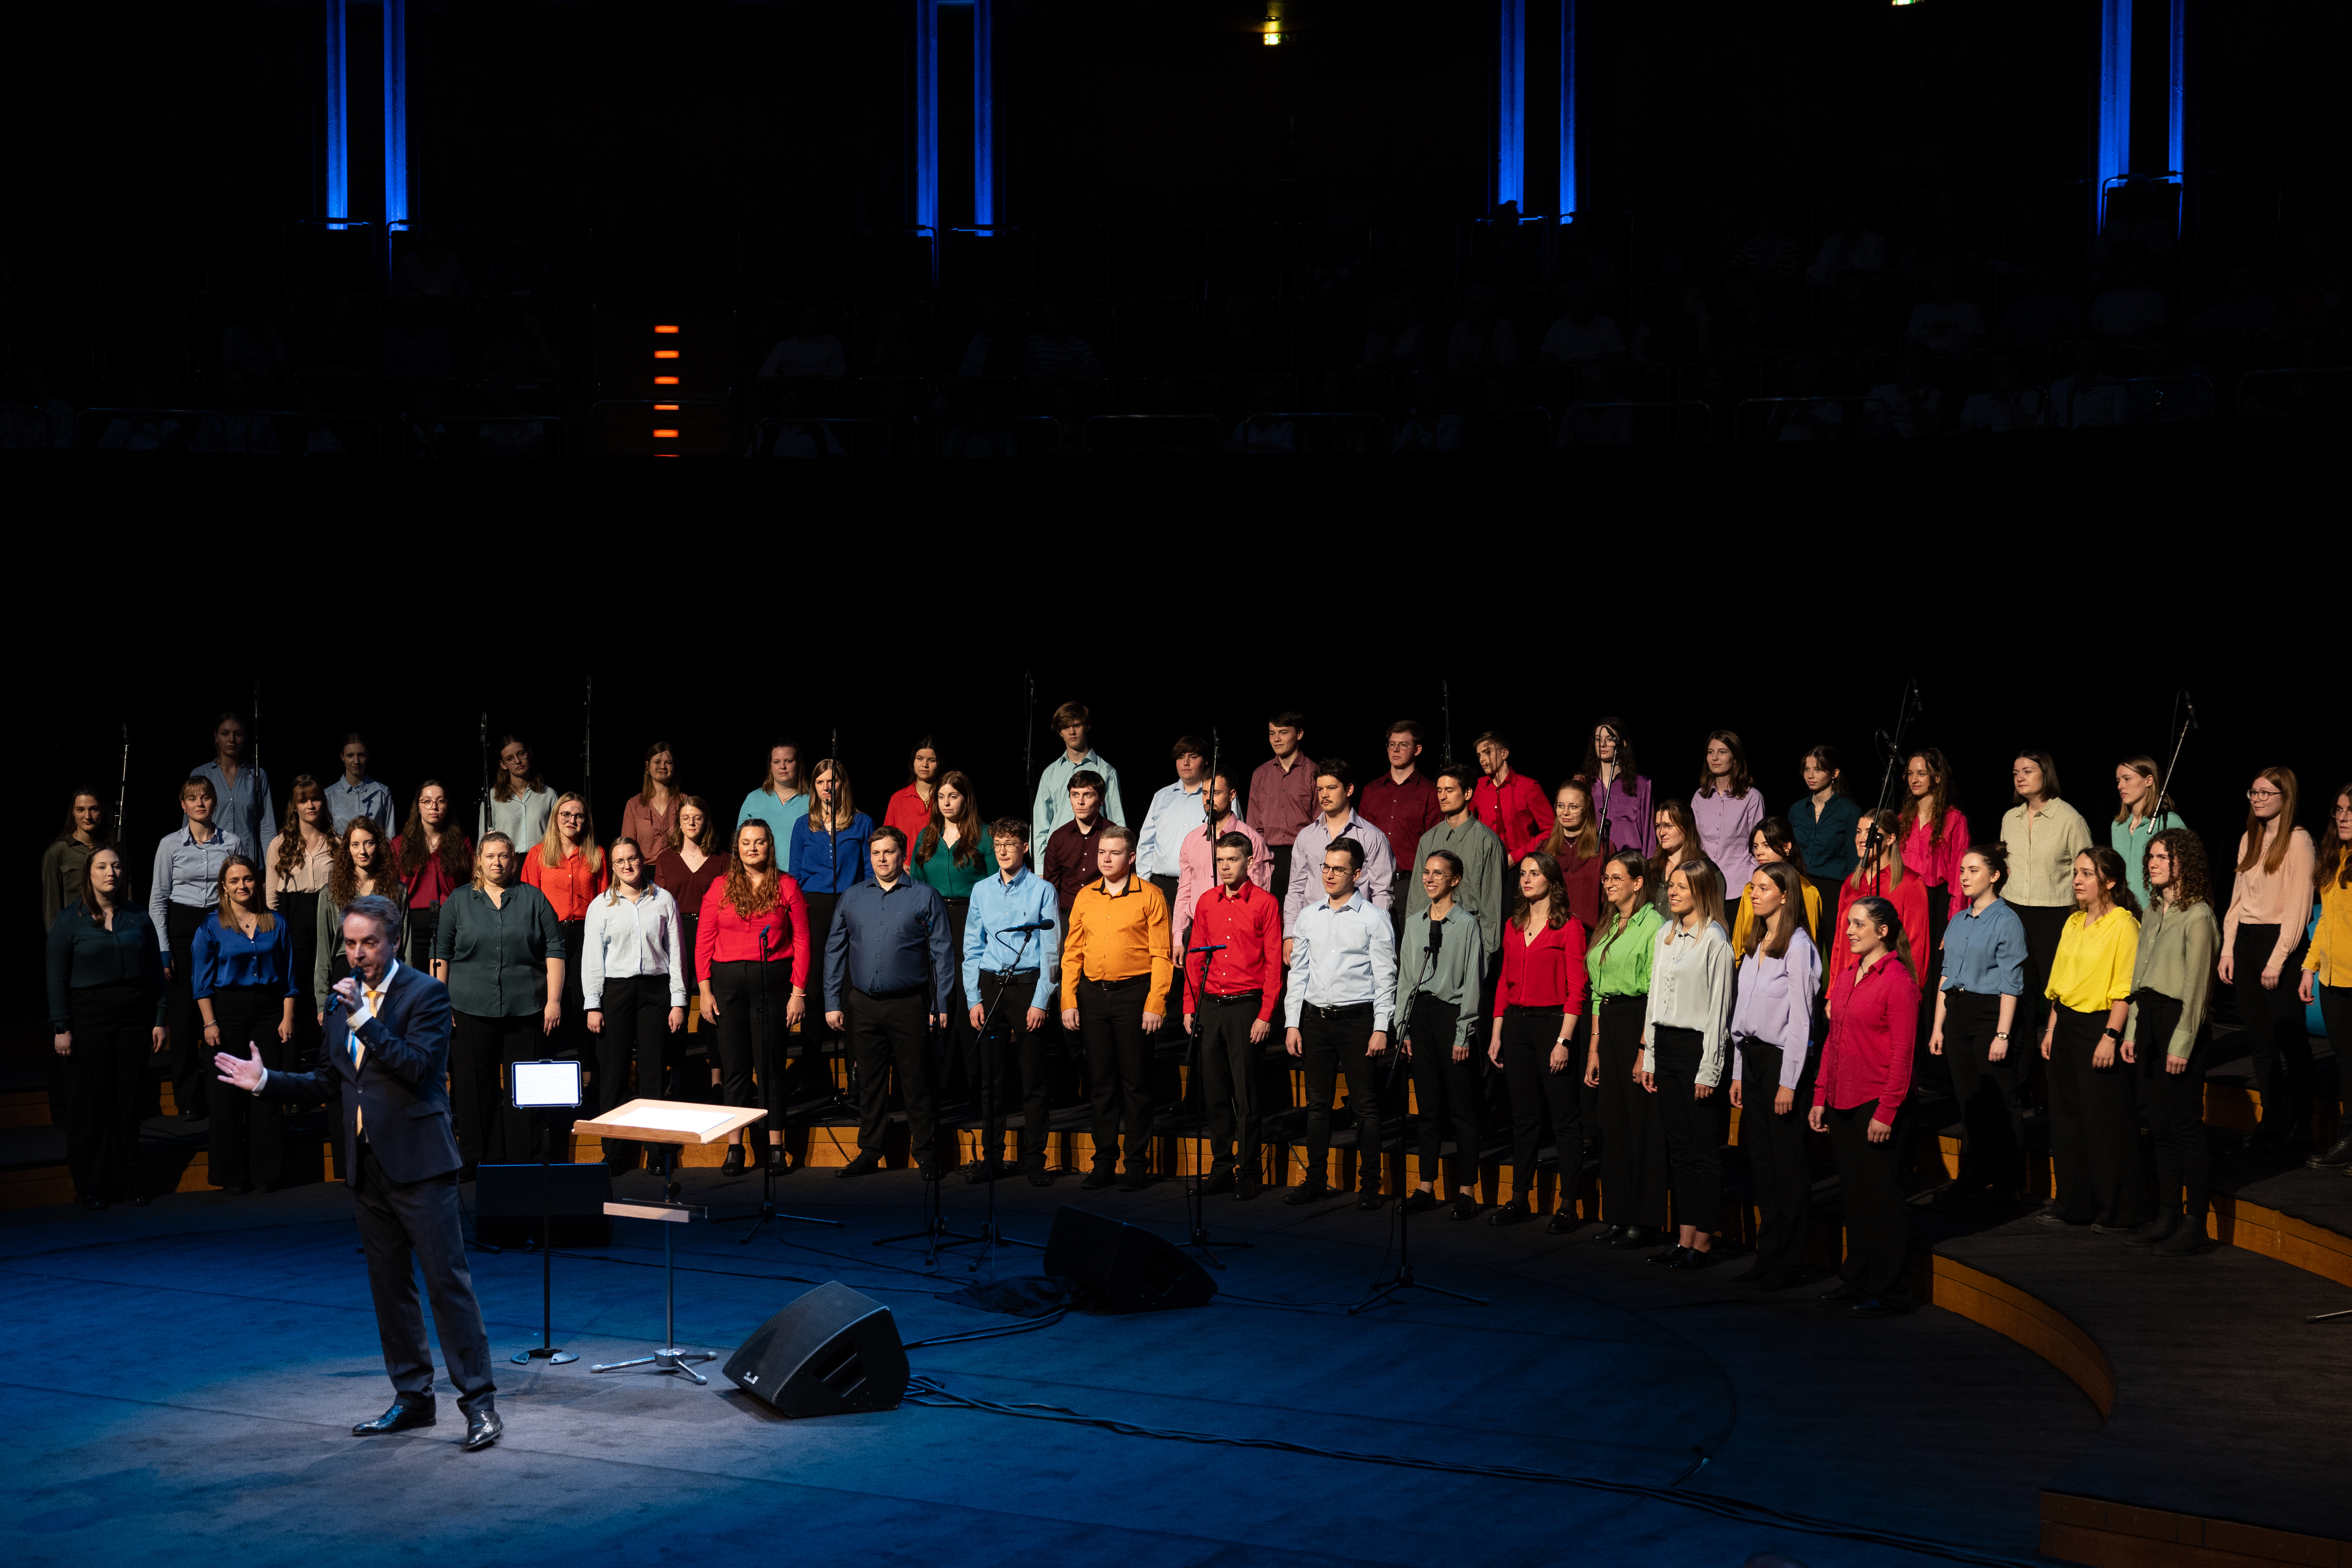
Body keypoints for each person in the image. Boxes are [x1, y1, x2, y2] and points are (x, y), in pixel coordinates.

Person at [218, 893, 503, 1451]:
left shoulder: (426, 994)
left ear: (393, 942)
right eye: (350, 944)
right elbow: (330, 1082)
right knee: (389, 1289)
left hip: (420, 1164)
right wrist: (265, 1082)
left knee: (447, 1286)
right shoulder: (339, 1001)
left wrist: (365, 1020)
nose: (357, 954)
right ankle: (413, 1398)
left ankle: (479, 1405)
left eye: (368, 943)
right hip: (366, 1165)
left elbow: (417, 1068)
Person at [1811, 897, 1920, 1318]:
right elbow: (1833, 1040)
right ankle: (1856, 1277)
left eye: (1858, 924)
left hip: (1876, 1102)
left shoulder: (1897, 981)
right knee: (1854, 1196)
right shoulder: (1846, 977)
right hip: (1842, 1097)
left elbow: (1903, 1054)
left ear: (1882, 931)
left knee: (1882, 1200)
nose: (1849, 931)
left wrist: (1887, 1111)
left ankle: (1891, 1291)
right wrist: (1820, 1095)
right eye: (1848, 924)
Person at [827, 827, 956, 1180]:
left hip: (909, 1004)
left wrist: (941, 1004)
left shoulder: (925, 896)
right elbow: (834, 951)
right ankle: (870, 1152)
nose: (881, 859)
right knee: (869, 1084)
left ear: (903, 855)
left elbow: (943, 954)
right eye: (876, 853)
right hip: (863, 1005)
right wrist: (832, 1001)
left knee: (916, 1082)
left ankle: (926, 1153)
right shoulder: (852, 897)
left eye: (888, 852)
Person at [432, 832, 565, 1172]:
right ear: (479, 860)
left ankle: (526, 1156)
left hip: (527, 1006)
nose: (497, 862)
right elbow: (441, 953)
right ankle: (478, 1155)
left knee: (526, 1085)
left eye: (503, 856)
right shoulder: (459, 901)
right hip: (469, 1006)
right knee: (475, 1086)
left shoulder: (533, 898)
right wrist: (440, 1002)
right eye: (490, 856)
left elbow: (554, 949)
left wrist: (554, 1000)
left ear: (513, 861)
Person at [47, 847, 168, 1207]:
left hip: (133, 1016)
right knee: (90, 1102)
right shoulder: (70, 920)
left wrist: (160, 1019)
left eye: (116, 866)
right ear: (89, 873)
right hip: (88, 1016)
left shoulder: (138, 917)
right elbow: (56, 976)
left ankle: (127, 1179)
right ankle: (91, 1184)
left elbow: (155, 972)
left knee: (127, 1101)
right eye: (102, 866)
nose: (110, 872)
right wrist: (61, 1026)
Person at [1057, 825, 1172, 1190]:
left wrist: (1155, 1002)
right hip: (1093, 996)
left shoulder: (1151, 895)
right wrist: (1068, 1000)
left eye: (1115, 853)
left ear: (1131, 857)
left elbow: (1162, 955)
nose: (1106, 859)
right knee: (1101, 1084)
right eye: (1102, 852)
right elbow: (1072, 953)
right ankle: (1104, 1162)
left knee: (1135, 1084)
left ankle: (1136, 1164)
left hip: (1134, 995)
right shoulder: (1086, 895)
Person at [1283, 838, 1397, 1206]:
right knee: (1317, 1105)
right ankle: (1316, 1180)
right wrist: (1292, 1022)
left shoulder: (1374, 918)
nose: (1330, 875)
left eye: (1339, 869)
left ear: (1358, 874)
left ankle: (1370, 1185)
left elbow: (1386, 978)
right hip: (1316, 1020)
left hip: (1358, 1021)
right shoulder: (1309, 916)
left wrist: (1381, 1027)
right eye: (1326, 867)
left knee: (1365, 1106)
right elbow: (1298, 974)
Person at [2038, 848, 2146, 1231]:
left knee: (2105, 1122)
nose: (2077, 880)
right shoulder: (2074, 922)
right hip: (2067, 1024)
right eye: (2076, 873)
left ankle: (2121, 1210)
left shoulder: (2125, 924)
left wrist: (2110, 1036)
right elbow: (2060, 984)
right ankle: (2075, 1203)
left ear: (2110, 881)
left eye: (2087, 873)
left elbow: (2125, 988)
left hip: (2099, 1026)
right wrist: (2052, 1029)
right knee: (2067, 1119)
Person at [1484, 852, 1591, 1231]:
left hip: (1553, 1026)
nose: (1526, 879)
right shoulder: (1513, 925)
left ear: (1552, 880)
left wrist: (1564, 1040)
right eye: (1524, 873)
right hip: (1517, 1026)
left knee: (1563, 1119)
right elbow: (1503, 982)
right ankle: (1518, 1199)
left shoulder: (1569, 927)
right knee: (1524, 1118)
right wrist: (1496, 1032)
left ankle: (1569, 1204)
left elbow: (1578, 989)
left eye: (1535, 873)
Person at [695, 821, 808, 1176]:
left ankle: (775, 1146)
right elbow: (704, 940)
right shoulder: (720, 886)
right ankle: (735, 1146)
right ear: (737, 847)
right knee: (735, 1068)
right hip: (727, 985)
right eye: (746, 842)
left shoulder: (787, 885)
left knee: (770, 1066)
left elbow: (803, 940)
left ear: (770, 846)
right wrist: (705, 990)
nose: (753, 848)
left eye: (759, 842)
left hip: (772, 982)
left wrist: (798, 992)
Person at [2125, 829, 2219, 1253]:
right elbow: (2138, 978)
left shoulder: (2198, 916)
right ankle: (2166, 1214)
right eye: (2152, 856)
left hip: (2180, 1023)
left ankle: (2194, 1222)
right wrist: (2132, 1030)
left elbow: (2198, 990)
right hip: (2149, 1018)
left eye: (2163, 857)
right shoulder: (2151, 912)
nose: (2153, 863)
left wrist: (2181, 1044)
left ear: (2184, 863)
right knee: (2160, 1125)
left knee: (2185, 1127)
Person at [1729, 862, 1820, 1289]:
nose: (1753, 894)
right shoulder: (1755, 942)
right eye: (1752, 887)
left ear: (1785, 895)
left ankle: (1790, 1258)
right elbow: (1743, 1012)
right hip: (1753, 1058)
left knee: (1787, 1164)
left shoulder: (1798, 946)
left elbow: (1802, 1019)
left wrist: (1788, 1081)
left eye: (1763, 888)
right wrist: (1737, 1070)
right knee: (1762, 1162)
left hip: (1782, 1063)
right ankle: (1768, 1254)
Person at [1638, 859, 1733, 1268]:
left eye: (1681, 886)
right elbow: (1654, 998)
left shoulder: (1714, 940)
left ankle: (1704, 1242)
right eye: (1671, 885)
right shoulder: (1665, 933)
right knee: (1678, 1149)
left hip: (1697, 1049)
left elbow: (1718, 1012)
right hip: (1666, 1045)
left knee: (1702, 1150)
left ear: (1701, 890)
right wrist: (1649, 1054)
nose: (1672, 892)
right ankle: (1684, 1238)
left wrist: (1709, 1069)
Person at [1185, 830, 1286, 1200]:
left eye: (1233, 859)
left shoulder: (1265, 903)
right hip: (1211, 1006)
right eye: (1221, 860)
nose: (1225, 866)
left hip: (1246, 1005)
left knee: (1246, 1095)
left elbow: (1274, 962)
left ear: (1250, 862)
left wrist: (1266, 1013)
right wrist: (1190, 1006)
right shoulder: (1207, 901)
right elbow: (1196, 956)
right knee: (1214, 1093)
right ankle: (1222, 1167)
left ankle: (1249, 1170)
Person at [192, 854, 300, 1194]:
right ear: (224, 887)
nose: (243, 885)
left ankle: (265, 1173)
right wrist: (210, 1023)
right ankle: (232, 1176)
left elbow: (290, 977)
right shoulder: (212, 926)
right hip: (226, 1014)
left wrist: (287, 1017)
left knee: (265, 1091)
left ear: (258, 882)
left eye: (248, 879)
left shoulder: (276, 923)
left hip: (269, 1012)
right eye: (235, 880)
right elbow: (200, 982)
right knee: (226, 1096)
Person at [963, 819, 1063, 1186]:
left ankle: (1035, 1160)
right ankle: (993, 1159)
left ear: (1025, 847)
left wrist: (1041, 1000)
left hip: (1027, 987)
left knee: (1033, 1079)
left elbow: (1051, 950)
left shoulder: (1043, 890)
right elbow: (972, 947)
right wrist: (973, 997)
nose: (1003, 850)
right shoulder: (982, 890)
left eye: (1010, 843)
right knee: (992, 1080)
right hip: (991, 987)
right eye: (999, 844)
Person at [1930, 846, 2031, 1209]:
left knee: (2001, 1101)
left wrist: (2003, 1034)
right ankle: (1972, 1178)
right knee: (1970, 1102)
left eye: (1973, 870)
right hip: (1958, 1012)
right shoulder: (1958, 919)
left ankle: (2008, 1184)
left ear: (1994, 876)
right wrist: (1938, 1027)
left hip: (1991, 1014)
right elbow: (1946, 975)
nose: (1964, 876)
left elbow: (2011, 983)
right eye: (1962, 870)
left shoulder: (2007, 921)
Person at [2222, 767, 2317, 1149]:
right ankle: (2272, 1118)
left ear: (2285, 797)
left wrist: (2277, 960)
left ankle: (2303, 1122)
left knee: (2290, 1038)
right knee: (2260, 1039)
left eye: (2266, 793)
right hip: (2247, 940)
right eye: (2254, 792)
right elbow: (2237, 899)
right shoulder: (2250, 837)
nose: (2257, 799)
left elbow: (2299, 908)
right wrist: (2228, 948)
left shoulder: (2299, 841)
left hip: (2281, 943)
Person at [582, 837, 685, 1174]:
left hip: (655, 991)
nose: (627, 865)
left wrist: (679, 1001)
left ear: (643, 860)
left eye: (632, 858)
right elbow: (592, 959)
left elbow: (677, 955)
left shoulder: (664, 900)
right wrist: (593, 1004)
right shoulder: (600, 905)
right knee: (613, 1074)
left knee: (654, 1073)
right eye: (620, 861)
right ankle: (614, 1152)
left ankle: (656, 1151)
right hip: (616, 992)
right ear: (613, 867)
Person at [1394, 850, 1485, 1220]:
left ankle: (1466, 1191)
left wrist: (1464, 1032)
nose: (1429, 879)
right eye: (1426, 872)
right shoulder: (1415, 923)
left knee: (1462, 1109)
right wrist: (1403, 1026)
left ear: (1455, 880)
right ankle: (1425, 1187)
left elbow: (1474, 982)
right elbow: (1406, 979)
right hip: (1421, 1015)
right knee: (1428, 1108)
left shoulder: (1466, 924)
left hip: (1452, 1016)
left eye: (1438, 873)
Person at [152, 775, 246, 1120]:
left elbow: (241, 891)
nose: (200, 803)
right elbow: (158, 900)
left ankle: (219, 1092)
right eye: (193, 799)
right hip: (182, 928)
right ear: (184, 805)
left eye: (205, 797)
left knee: (220, 1011)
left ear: (214, 802)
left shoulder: (232, 842)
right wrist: (163, 949)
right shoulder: (170, 845)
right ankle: (188, 1098)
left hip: (220, 925)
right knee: (184, 1018)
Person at [1587, 852, 1667, 1249]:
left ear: (1638, 883)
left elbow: (1656, 991)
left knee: (1642, 1127)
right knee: (1613, 1126)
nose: (1609, 884)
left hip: (1639, 1020)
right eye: (1606, 878)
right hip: (1609, 1021)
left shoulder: (1653, 925)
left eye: (1617, 878)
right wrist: (1593, 1048)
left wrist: (1643, 1049)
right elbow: (1597, 992)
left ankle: (1645, 1219)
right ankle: (1617, 1214)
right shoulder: (1607, 923)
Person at [2000, 749, 2095, 1054]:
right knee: (2018, 991)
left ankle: (2059, 1061)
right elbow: (2004, 868)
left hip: (2054, 915)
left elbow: (2089, 871)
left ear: (2046, 773)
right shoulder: (2010, 818)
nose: (2020, 778)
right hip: (2014, 912)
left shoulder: (2069, 819)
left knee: (2056, 992)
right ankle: (2022, 1068)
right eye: (2016, 773)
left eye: (2028, 771)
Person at [909, 771, 989, 1101]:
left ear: (965, 799)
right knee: (938, 992)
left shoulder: (984, 835)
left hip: (971, 917)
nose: (946, 802)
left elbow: (994, 883)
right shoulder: (927, 837)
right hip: (934, 918)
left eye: (953, 796)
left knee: (967, 994)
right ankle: (941, 1083)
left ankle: (974, 1081)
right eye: (941, 797)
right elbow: (916, 883)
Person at [792, 758, 871, 1088]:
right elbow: (795, 874)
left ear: (843, 784)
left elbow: (869, 871)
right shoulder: (803, 825)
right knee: (812, 989)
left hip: (850, 905)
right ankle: (813, 1077)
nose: (827, 787)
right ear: (815, 787)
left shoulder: (862, 822)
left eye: (833, 781)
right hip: (813, 908)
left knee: (851, 988)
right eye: (821, 781)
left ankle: (856, 1076)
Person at [521, 792, 608, 1070]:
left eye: (578, 815)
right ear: (556, 818)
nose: (572, 820)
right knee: (549, 1002)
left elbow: (605, 899)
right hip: (550, 934)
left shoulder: (597, 854)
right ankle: (547, 1068)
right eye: (566, 815)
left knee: (584, 1002)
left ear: (586, 820)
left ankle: (589, 1071)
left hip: (585, 934)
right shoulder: (538, 854)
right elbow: (528, 900)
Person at [1401, 765, 1507, 964]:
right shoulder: (1429, 840)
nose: (1442, 797)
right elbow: (1416, 899)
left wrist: (1485, 959)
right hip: (1429, 938)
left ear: (1468, 793)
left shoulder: (1488, 842)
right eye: (1440, 790)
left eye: (1450, 790)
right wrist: (1411, 945)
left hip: (1468, 941)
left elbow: (1492, 907)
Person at [653, 796, 725, 1086]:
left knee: (714, 1003)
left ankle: (717, 1078)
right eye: (686, 818)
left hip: (713, 934)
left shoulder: (722, 859)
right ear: (678, 823)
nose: (692, 823)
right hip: (677, 933)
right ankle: (677, 1077)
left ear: (706, 821)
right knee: (677, 1001)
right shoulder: (666, 859)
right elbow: (657, 903)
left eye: (697, 817)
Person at [1283, 758, 1396, 938]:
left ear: (1349, 789)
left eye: (1331, 788)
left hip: (1355, 930)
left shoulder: (1372, 837)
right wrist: (1290, 934)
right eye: (1320, 789)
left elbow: (1382, 893)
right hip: (1313, 930)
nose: (1324, 795)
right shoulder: (1306, 836)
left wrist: (1376, 932)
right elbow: (1296, 888)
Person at [2302, 785, 2352, 1170]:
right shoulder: (2334, 857)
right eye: (2339, 809)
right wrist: (2310, 967)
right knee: (2346, 1063)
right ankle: (2349, 1139)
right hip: (2333, 980)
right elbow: (2325, 923)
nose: (2344, 817)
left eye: (2351, 810)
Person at [1171, 771, 1271, 965]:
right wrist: (1178, 937)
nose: (1209, 800)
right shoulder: (1192, 840)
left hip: (1236, 933)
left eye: (1216, 793)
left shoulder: (1252, 840)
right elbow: (1184, 892)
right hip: (1197, 930)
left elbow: (1260, 898)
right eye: (1205, 793)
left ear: (1232, 795)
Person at [266, 776, 340, 1022]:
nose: (310, 806)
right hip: (293, 916)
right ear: (295, 806)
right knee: (294, 982)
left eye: (315, 799)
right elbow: (271, 897)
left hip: (327, 915)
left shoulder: (336, 843)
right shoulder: (280, 844)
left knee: (327, 979)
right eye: (303, 801)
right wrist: (274, 932)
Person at [1833, 810, 1928, 982]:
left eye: (1869, 833)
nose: (1862, 839)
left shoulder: (1910, 884)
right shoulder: (1851, 883)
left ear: (1890, 839)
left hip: (1887, 985)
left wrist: (1909, 989)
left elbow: (1916, 948)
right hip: (1848, 983)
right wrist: (1834, 990)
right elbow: (1840, 944)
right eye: (1859, 832)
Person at [1033, 702, 1126, 875]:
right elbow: (1040, 823)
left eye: (1077, 725)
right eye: (1066, 728)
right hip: (1059, 858)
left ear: (1087, 727)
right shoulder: (1050, 774)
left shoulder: (1106, 772)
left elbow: (1117, 823)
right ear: (1060, 732)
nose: (1072, 732)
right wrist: (1040, 867)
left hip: (1094, 857)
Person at [1360, 721, 1441, 915]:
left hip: (1410, 885)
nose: (1396, 750)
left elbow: (1435, 844)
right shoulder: (1372, 790)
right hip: (1373, 884)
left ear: (1417, 750)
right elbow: (1360, 838)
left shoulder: (1430, 792)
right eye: (1392, 744)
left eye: (1403, 745)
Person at [391, 781, 472, 968]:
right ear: (418, 807)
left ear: (447, 806)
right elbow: (392, 888)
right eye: (427, 802)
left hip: (451, 920)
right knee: (416, 978)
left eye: (440, 801)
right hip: (412, 923)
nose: (434, 807)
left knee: (446, 978)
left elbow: (471, 885)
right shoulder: (399, 845)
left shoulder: (462, 843)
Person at [189, 710, 276, 874]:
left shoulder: (257, 775)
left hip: (248, 862)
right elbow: (190, 823)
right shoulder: (201, 775)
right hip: (211, 861)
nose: (232, 740)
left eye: (238, 734)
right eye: (225, 734)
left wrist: (272, 871)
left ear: (245, 737)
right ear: (216, 736)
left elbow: (266, 826)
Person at [1137, 736, 1214, 915]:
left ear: (1206, 760)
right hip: (1162, 887)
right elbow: (1146, 844)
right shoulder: (1162, 797)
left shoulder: (1217, 797)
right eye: (1181, 757)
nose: (1186, 763)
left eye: (1193, 757)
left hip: (1203, 886)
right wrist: (1144, 884)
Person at [1247, 710, 1315, 901]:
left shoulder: (1314, 773)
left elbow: (1321, 822)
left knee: (1300, 911)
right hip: (1268, 856)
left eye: (1283, 733)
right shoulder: (1260, 774)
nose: (1276, 739)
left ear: (1299, 734)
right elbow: (1254, 824)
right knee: (1271, 913)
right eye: (1272, 733)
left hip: (1303, 855)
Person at [1729, 819, 1822, 954]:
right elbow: (1738, 943)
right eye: (1756, 846)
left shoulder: (1806, 891)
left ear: (1787, 847)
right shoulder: (1750, 889)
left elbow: (1809, 945)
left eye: (1767, 845)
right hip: (1750, 961)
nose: (1759, 852)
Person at [1791, 745, 1861, 916]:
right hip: (1800, 884)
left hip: (1833, 888)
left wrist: (1850, 895)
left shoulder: (1849, 812)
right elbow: (1791, 851)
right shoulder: (1797, 810)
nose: (1810, 776)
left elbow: (1854, 860)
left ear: (1834, 773)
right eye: (1807, 769)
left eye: (1818, 770)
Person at [1692, 731, 1765, 896]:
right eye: (1710, 752)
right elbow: (1695, 843)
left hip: (1739, 887)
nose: (1715, 758)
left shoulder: (1752, 798)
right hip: (1705, 885)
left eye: (1722, 752)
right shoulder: (1699, 797)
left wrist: (1752, 884)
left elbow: (1758, 846)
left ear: (1735, 757)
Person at [2111, 755, 2181, 912]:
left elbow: (2185, 870)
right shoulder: (2118, 826)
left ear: (2149, 781)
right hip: (2123, 911)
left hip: (2156, 911)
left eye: (2127, 779)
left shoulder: (2169, 822)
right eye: (2118, 781)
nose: (2120, 786)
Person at [1538, 779, 1608, 929]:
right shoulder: (1544, 848)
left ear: (1587, 809)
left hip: (1589, 933)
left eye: (1573, 807)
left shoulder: (1602, 848)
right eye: (1560, 806)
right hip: (1551, 931)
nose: (1565, 812)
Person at [1042, 770, 1116, 913]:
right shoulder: (1059, 837)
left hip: (1104, 912)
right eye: (1075, 795)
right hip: (1067, 913)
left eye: (1087, 795)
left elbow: (1125, 881)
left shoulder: (1115, 836)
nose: (1080, 802)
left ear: (1101, 799)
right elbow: (1051, 886)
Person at [1473, 731, 1552, 862]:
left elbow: (1551, 831)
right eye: (1479, 755)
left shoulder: (1529, 787)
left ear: (1504, 754)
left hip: (1520, 864)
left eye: (1487, 752)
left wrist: (1516, 856)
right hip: (1485, 862)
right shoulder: (1477, 787)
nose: (1482, 759)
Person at [1583, 719, 1654, 859]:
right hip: (1592, 860)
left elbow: (1649, 835)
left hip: (1629, 862)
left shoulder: (1641, 785)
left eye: (1610, 739)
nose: (1603, 744)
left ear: (1623, 743)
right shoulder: (1586, 785)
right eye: (1598, 740)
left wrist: (1649, 865)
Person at [44, 789, 111, 931]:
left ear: (103, 811)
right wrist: (57, 939)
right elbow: (52, 906)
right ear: (73, 812)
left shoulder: (112, 851)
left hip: (109, 932)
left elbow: (126, 897)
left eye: (94, 809)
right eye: (81, 810)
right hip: (75, 934)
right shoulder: (58, 852)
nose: (87, 816)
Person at [480, 734, 555, 851]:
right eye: (510, 759)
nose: (518, 761)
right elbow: (484, 840)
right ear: (503, 764)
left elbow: (556, 836)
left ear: (529, 754)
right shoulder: (492, 798)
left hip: (540, 859)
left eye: (521, 754)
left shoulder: (548, 794)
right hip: (506, 859)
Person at [1647, 799, 1717, 919]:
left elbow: (1714, 917)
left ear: (1686, 827)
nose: (1662, 833)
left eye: (1669, 826)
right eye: (1658, 826)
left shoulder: (1706, 870)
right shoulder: (1650, 866)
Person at [737, 740, 810, 855]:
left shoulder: (813, 799)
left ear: (799, 763)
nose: (783, 767)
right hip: (762, 867)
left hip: (801, 866)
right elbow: (739, 845)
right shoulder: (754, 799)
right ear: (771, 765)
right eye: (777, 762)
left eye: (789, 761)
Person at [620, 742, 683, 863]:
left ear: (674, 767)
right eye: (657, 762)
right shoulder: (634, 805)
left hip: (678, 869)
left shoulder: (684, 803)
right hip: (645, 871)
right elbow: (627, 848)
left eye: (668, 763)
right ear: (648, 766)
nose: (663, 767)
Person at [325, 733, 394, 839]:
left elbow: (390, 835)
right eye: (350, 756)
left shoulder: (382, 792)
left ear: (368, 755)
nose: (356, 761)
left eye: (361, 755)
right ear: (342, 757)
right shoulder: (329, 795)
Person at [882, 736, 943, 846]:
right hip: (907, 858)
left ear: (940, 763)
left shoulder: (947, 797)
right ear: (913, 761)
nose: (925, 765)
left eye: (932, 760)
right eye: (920, 759)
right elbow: (888, 840)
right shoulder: (899, 799)